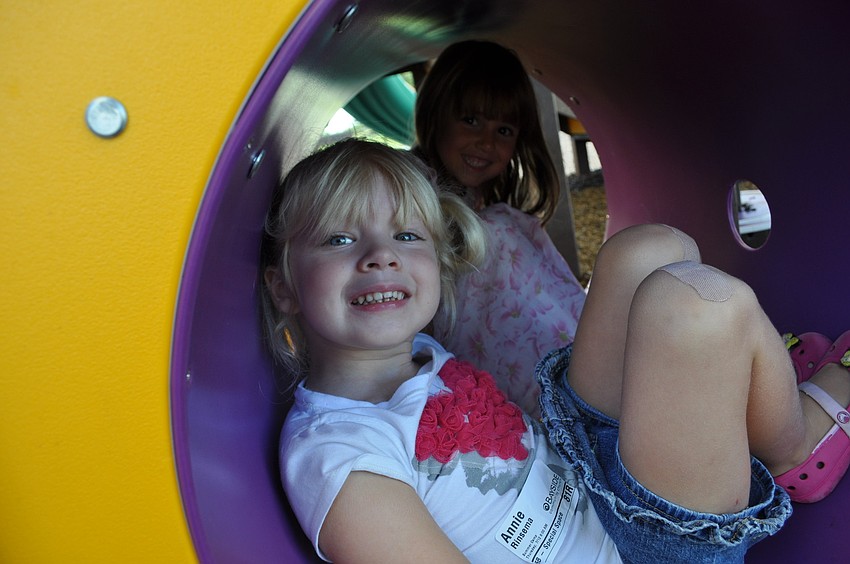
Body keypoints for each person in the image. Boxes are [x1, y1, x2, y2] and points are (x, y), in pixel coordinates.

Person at [262, 138, 850, 563]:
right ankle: (796, 444)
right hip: (640, 553)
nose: (380, 254)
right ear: (282, 285)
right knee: (702, 306)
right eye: (339, 238)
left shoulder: (418, 349)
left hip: (591, 479)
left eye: (406, 235)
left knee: (648, 249)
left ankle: (757, 406)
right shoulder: (338, 457)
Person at [414, 40, 586, 416]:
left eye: (504, 130)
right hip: (442, 337)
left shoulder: (494, 209)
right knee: (499, 232)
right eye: (471, 120)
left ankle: (582, 356)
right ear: (436, 113)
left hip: (527, 338)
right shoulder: (411, 185)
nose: (486, 142)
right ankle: (568, 383)